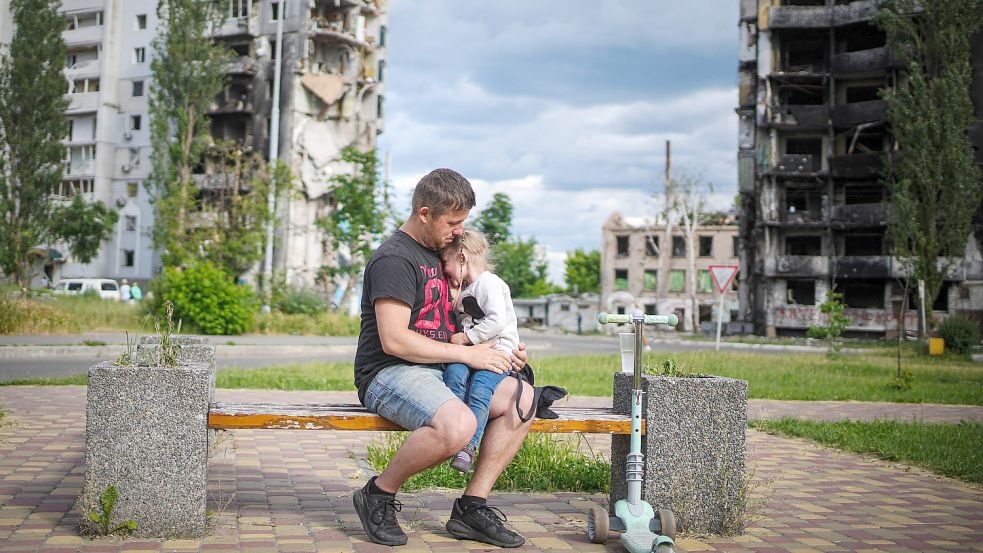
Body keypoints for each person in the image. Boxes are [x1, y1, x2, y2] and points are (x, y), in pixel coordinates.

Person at [352, 168, 534, 548]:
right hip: (390, 372)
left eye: (462, 222)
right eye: (452, 222)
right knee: (457, 425)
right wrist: (469, 356)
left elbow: (475, 316)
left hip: (442, 367)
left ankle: (471, 507)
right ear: (424, 214)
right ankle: (378, 494)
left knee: (523, 398)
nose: (458, 231)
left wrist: (504, 351)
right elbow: (394, 340)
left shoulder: (445, 255)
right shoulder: (394, 259)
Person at [441, 229, 520, 473]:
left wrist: (466, 338)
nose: (445, 269)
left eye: (446, 262)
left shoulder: (490, 284)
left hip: (498, 353)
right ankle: (452, 427)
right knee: (454, 375)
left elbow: (496, 320)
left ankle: (468, 446)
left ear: (462, 258)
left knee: (480, 390)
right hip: (473, 352)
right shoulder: (467, 290)